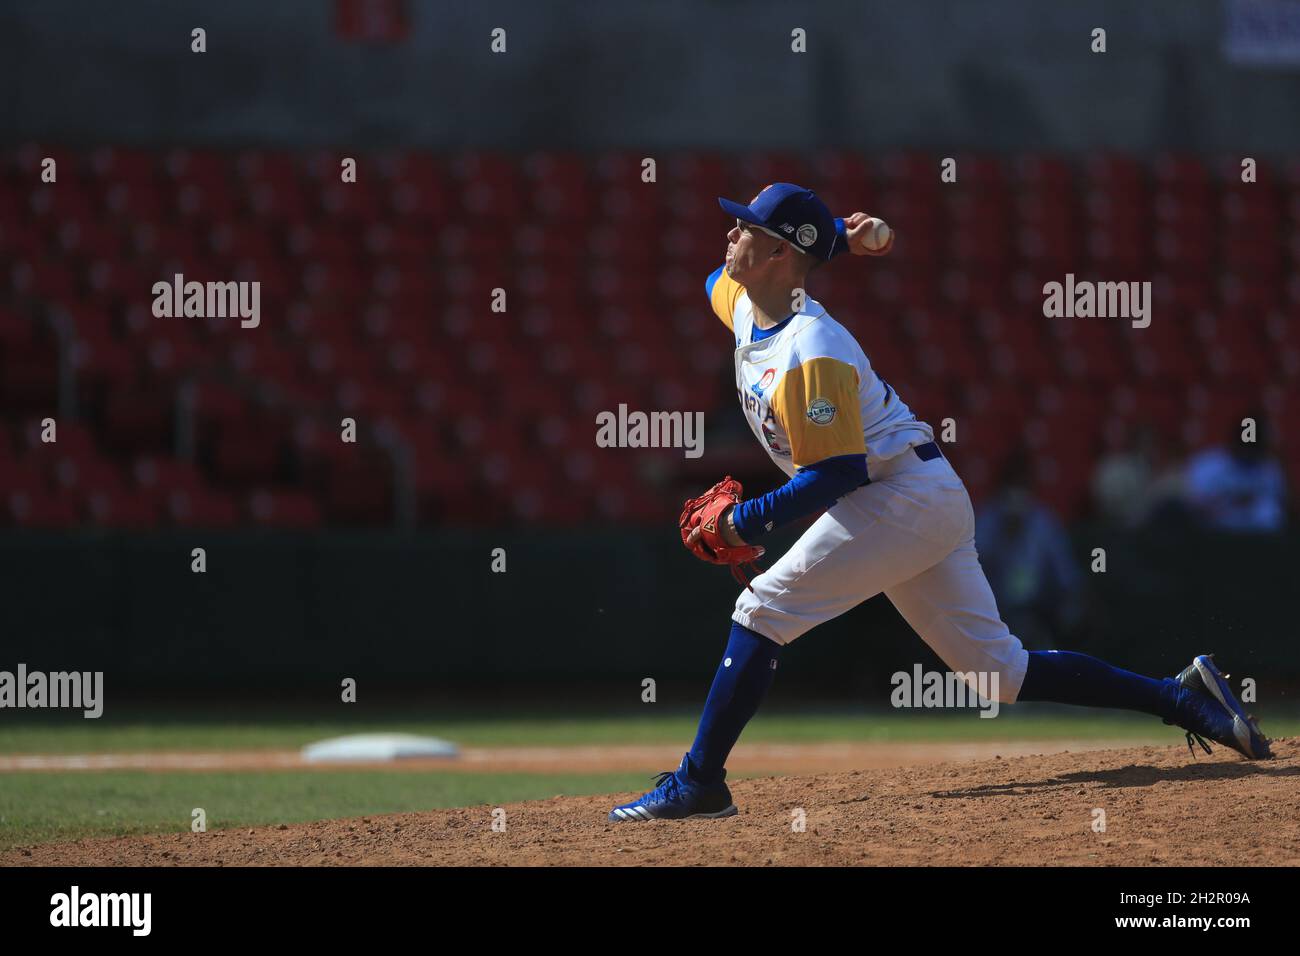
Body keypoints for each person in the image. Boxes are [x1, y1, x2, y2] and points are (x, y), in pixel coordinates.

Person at [609, 184, 1269, 823]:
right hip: (916, 494)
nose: (730, 234)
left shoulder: (815, 351)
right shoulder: (743, 299)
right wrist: (843, 237)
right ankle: (1183, 698)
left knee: (761, 611)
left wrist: (745, 519)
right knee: (999, 674)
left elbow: (835, 475)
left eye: (746, 227)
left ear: (781, 253)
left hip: (899, 497)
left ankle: (700, 784)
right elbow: (723, 280)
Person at [1185, 415, 1287, 533]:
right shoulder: (1208, 464)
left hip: (1258, 539)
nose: (1250, 450)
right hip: (1214, 537)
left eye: (1255, 446)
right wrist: (1227, 501)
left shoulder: (1269, 468)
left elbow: (1277, 509)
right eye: (1247, 445)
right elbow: (1194, 506)